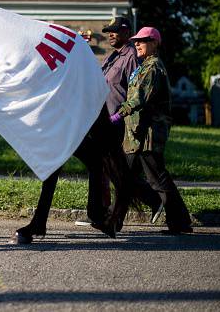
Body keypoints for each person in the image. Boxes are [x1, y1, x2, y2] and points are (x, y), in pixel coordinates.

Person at [78, 17, 163, 229]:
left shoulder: (132, 56)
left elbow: (136, 91)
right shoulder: (111, 57)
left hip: (118, 123)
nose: (110, 34)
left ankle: (148, 200)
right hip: (102, 121)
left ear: (127, 32)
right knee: (102, 167)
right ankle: (99, 212)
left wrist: (120, 117)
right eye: (108, 31)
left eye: (116, 30)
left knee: (113, 169)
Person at [110, 27, 193, 235]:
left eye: (143, 40)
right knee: (124, 176)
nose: (137, 43)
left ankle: (180, 221)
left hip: (148, 133)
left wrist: (118, 115)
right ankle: (113, 219)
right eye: (136, 41)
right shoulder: (144, 65)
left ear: (155, 43)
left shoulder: (153, 67)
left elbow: (139, 98)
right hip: (137, 132)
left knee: (156, 178)